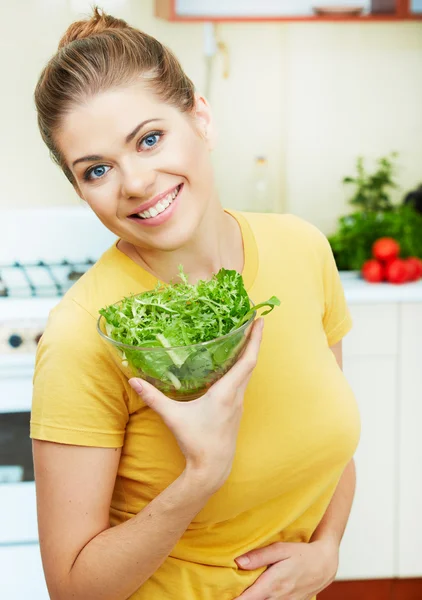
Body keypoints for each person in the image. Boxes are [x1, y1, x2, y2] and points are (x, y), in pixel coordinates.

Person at [30, 7, 361, 600]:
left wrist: (327, 550)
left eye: (150, 138)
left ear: (200, 117)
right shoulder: (86, 332)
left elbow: (330, 444)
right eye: (97, 169)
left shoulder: (302, 248)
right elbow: (72, 589)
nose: (134, 182)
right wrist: (201, 474)